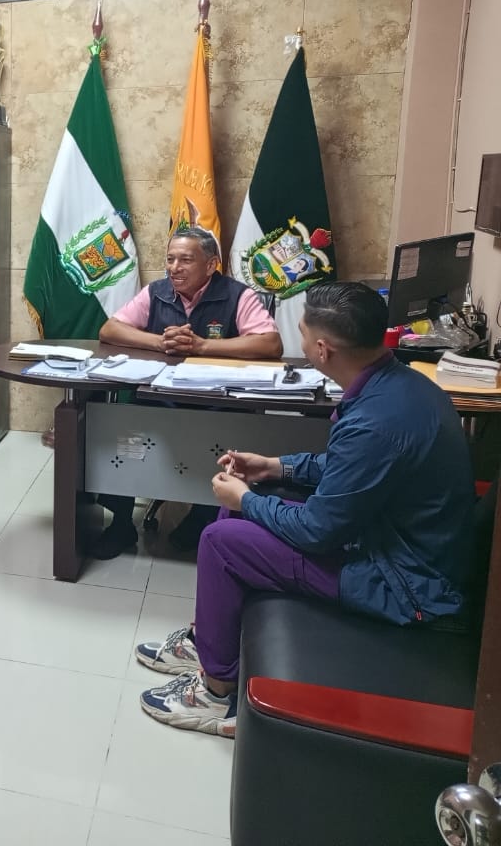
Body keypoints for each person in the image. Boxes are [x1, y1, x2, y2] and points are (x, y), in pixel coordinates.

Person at [134, 282, 474, 738]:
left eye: (301, 333)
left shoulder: (377, 422)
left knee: (219, 540)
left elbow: (318, 531)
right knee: (243, 506)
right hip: (386, 538)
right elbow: (350, 470)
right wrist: (275, 467)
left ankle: (215, 694)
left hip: (405, 583)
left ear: (322, 349)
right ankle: (207, 642)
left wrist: (248, 499)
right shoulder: (401, 384)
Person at [93, 226, 284, 559]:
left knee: (221, 442)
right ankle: (121, 524)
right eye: (170, 259)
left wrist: (202, 346)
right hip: (158, 402)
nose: (174, 268)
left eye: (185, 260)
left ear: (210, 265)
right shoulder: (157, 292)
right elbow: (110, 329)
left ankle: (201, 517)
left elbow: (270, 344)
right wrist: (160, 342)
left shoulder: (238, 295)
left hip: (217, 406)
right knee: (120, 434)